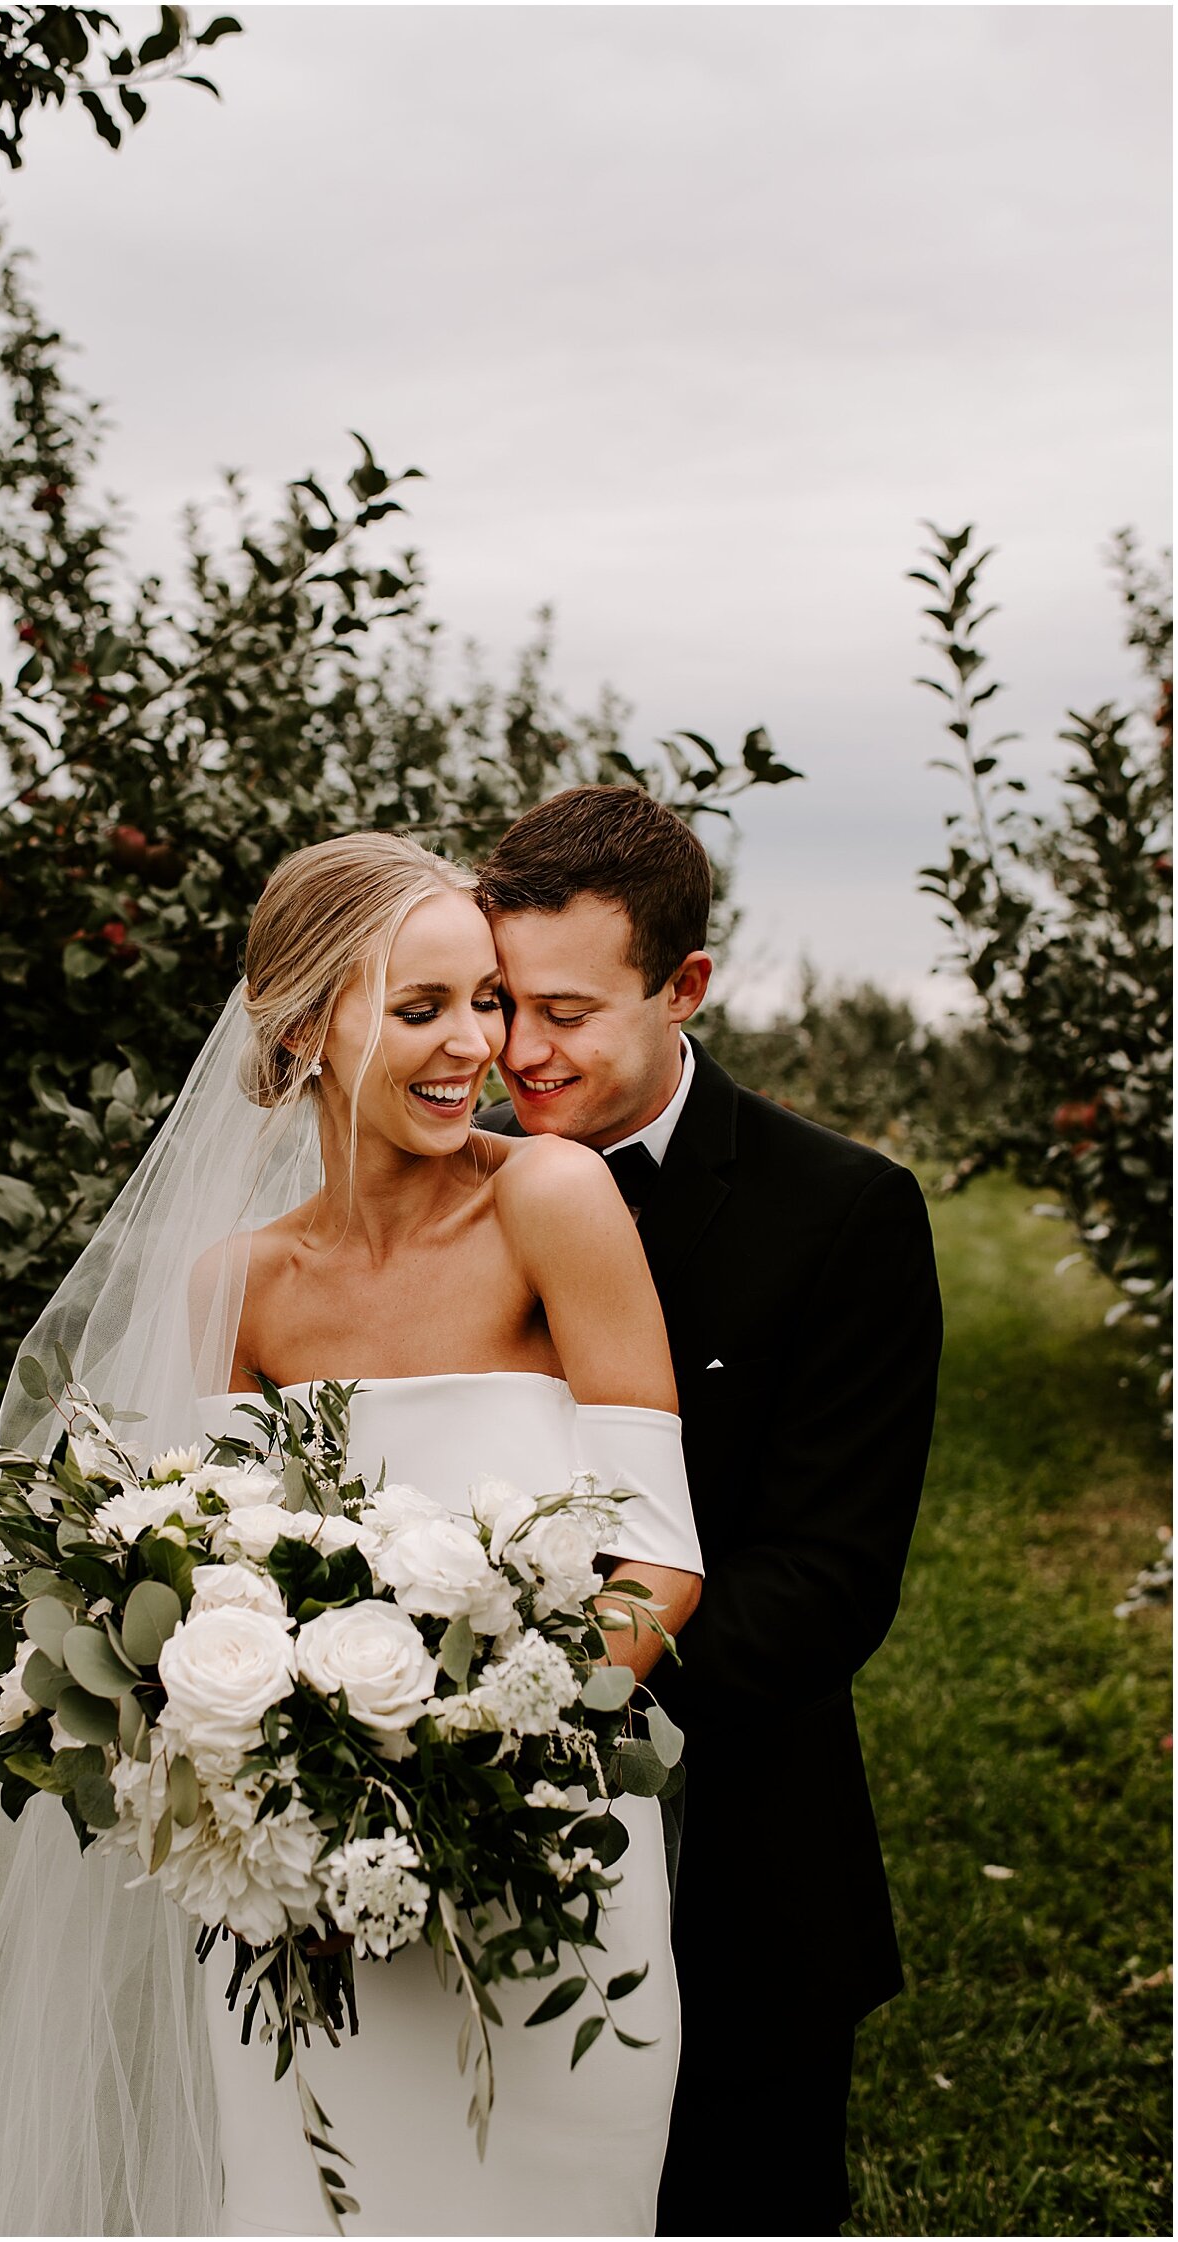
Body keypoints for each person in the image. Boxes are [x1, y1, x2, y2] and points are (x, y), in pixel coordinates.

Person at [0, 832, 702, 2239]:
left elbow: (660, 1556)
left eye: (488, 1000)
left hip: (545, 1867)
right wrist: (276, 1788)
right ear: (302, 1032)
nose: (476, 1043)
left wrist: (471, 1779)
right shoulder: (242, 1284)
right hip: (310, 1911)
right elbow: (221, 1582)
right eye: (422, 1008)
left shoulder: (549, 1200)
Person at [475, 784, 942, 2241]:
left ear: (685, 988)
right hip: (447, 1860)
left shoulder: (841, 1211)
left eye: (567, 1010)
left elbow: (826, 1576)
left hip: (740, 1864)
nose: (519, 1053)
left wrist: (540, 1699)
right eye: (501, 1004)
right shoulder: (448, 1189)